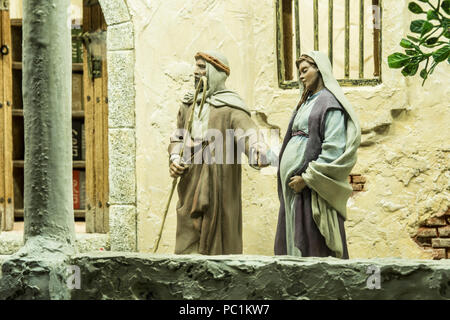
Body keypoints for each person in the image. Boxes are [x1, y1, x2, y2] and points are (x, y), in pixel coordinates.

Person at [168, 51, 266, 255]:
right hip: (190, 175)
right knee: (189, 224)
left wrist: (257, 148)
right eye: (195, 66)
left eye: (202, 67)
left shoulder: (231, 107)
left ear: (216, 72)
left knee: (217, 224)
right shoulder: (188, 105)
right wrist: (175, 157)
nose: (195, 71)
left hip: (218, 178)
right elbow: (178, 136)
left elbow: (249, 132)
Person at [271, 51, 361, 258]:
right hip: (294, 189)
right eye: (299, 72)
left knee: (311, 239)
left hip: (312, 189)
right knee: (293, 236)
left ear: (319, 70)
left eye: (305, 70)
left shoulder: (329, 103)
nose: (301, 76)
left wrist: (308, 178)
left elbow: (334, 148)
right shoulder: (306, 101)